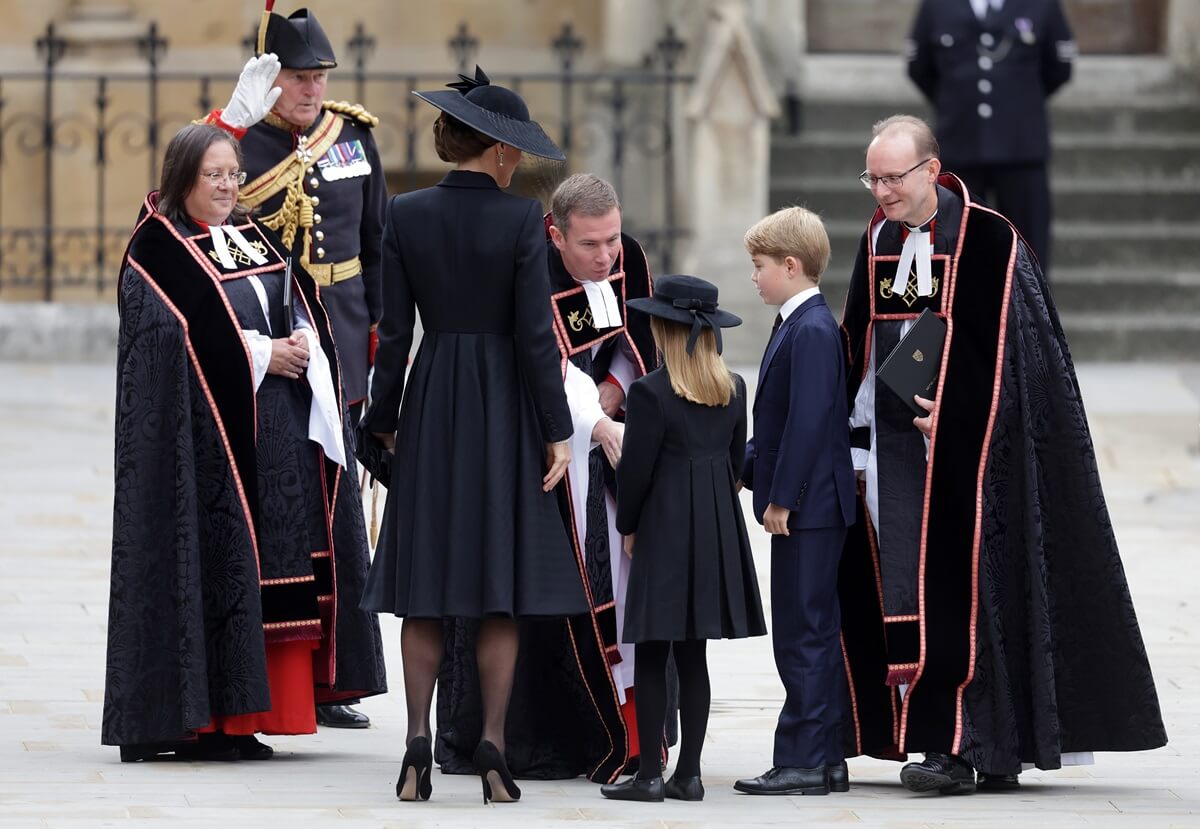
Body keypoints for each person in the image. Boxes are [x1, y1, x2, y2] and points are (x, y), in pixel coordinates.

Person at [839, 114, 1166, 795]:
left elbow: (1025, 365)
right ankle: (929, 734)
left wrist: (955, 419)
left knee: (976, 591)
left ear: (932, 170)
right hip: (899, 454)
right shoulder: (877, 238)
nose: (881, 191)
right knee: (906, 585)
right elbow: (865, 340)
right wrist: (854, 425)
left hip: (979, 458)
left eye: (892, 177)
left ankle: (980, 744)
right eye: (872, 177)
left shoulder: (991, 241)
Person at [103, 124, 386, 762]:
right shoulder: (159, 248)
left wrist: (302, 342)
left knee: (278, 571)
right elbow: (168, 337)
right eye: (214, 176)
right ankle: (207, 723)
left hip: (277, 438)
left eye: (232, 173)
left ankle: (255, 716)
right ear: (183, 180)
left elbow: (294, 299)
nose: (228, 186)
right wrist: (262, 353)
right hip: (207, 451)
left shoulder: (250, 234)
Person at [360, 66, 587, 804]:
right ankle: (492, 745)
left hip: (431, 402)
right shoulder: (522, 220)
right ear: (492, 150)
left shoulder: (407, 213)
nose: (518, 159)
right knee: (498, 591)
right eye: (513, 148)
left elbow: (392, 335)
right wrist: (556, 431)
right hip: (501, 409)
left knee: (425, 590)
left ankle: (417, 744)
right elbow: (532, 339)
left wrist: (380, 422)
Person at [434, 173, 664, 783]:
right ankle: (519, 738)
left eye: (612, 240)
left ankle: (619, 727)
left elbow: (637, 342)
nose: (606, 256)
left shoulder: (629, 258)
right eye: (590, 245)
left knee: (612, 583)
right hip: (540, 450)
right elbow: (537, 360)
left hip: (608, 444)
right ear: (555, 234)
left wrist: (614, 396)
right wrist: (591, 419)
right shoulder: (526, 266)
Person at [203, 5, 387, 729]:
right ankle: (275, 673)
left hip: (336, 344)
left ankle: (335, 679)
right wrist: (233, 123)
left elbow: (375, 252)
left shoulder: (354, 136)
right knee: (277, 516)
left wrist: (379, 357)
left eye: (318, 78)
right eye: (298, 78)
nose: (311, 90)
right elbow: (192, 209)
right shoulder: (237, 145)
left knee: (338, 516)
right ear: (268, 79)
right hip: (270, 340)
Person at [599, 275, 766, 803]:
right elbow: (738, 462)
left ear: (664, 331)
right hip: (715, 527)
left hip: (664, 525)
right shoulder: (734, 388)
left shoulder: (650, 392)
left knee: (652, 652)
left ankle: (649, 774)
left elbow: (636, 472)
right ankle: (689, 774)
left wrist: (628, 526)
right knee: (694, 655)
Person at [733, 207, 856, 797]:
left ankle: (803, 759)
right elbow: (777, 423)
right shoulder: (798, 323)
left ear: (790, 265)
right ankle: (827, 757)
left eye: (759, 266)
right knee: (812, 630)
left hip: (809, 509)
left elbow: (809, 424)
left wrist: (781, 498)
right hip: (813, 504)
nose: (753, 278)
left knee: (802, 634)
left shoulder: (810, 328)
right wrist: (743, 470)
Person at [907, 0, 1076, 272]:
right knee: (955, 250)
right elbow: (919, 68)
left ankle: (1028, 316)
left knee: (1029, 252)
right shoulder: (936, 5)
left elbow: (1059, 68)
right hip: (959, 144)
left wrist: (1018, 105)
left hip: (1022, 148)